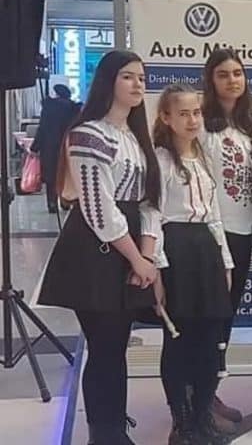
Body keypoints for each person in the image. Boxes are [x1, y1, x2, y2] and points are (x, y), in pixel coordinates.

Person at [37, 50, 162, 445]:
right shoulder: (88, 134)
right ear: (108, 81)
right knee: (105, 345)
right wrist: (136, 257)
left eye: (141, 77)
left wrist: (147, 254)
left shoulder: (135, 137)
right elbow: (98, 208)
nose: (138, 84)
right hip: (96, 250)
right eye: (128, 76)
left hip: (127, 246)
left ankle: (112, 427)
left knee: (116, 345)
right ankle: (105, 434)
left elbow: (149, 202)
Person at [151, 84, 235, 445]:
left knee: (210, 338)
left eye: (196, 112)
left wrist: (226, 262)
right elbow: (152, 215)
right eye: (183, 113)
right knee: (179, 339)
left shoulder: (203, 157)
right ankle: (182, 421)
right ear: (166, 117)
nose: (192, 120)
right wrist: (157, 267)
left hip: (206, 250)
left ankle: (203, 415)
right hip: (177, 249)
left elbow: (214, 215)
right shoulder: (160, 160)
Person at [200, 48, 252, 429]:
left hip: (244, 232)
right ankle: (196, 402)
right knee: (207, 321)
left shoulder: (249, 126)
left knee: (225, 321)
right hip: (212, 236)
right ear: (211, 80)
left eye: (237, 73)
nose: (232, 80)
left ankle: (210, 392)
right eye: (223, 74)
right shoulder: (203, 126)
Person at [31, 83, 80, 212]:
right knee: (65, 173)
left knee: (51, 176)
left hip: (50, 146)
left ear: (56, 93)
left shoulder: (49, 107)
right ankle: (65, 201)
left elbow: (42, 128)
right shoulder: (73, 108)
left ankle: (52, 203)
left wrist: (35, 147)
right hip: (67, 145)